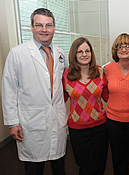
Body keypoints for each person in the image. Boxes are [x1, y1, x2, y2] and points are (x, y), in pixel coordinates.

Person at [1, 8, 68, 175]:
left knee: (59, 165)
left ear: (54, 27)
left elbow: (69, 79)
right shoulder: (17, 53)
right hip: (31, 121)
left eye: (48, 25)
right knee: (34, 168)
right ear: (31, 27)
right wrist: (13, 122)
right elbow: (9, 89)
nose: (44, 30)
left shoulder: (60, 53)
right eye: (39, 25)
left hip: (56, 118)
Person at [62, 37, 109, 175]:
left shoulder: (100, 72)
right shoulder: (66, 75)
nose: (84, 54)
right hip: (78, 130)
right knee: (85, 166)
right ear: (74, 55)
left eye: (87, 51)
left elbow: (108, 97)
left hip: (100, 127)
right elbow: (60, 100)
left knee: (100, 165)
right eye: (80, 51)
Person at [105, 33, 129, 175]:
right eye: (120, 46)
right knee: (118, 159)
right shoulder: (108, 69)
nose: (124, 49)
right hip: (113, 122)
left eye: (127, 46)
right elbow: (104, 91)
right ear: (115, 49)